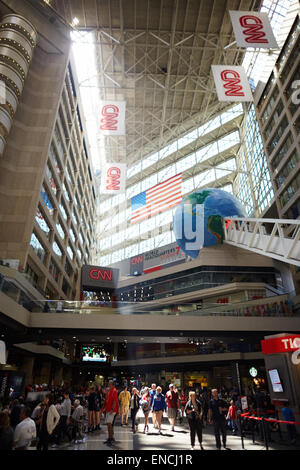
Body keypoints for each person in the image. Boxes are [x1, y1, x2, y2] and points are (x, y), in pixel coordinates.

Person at [104, 380, 119, 446]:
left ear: (112, 385)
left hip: (111, 410)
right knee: (108, 424)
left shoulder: (114, 390)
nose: (108, 385)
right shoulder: (110, 391)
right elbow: (107, 400)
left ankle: (110, 438)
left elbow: (115, 401)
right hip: (108, 409)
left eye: (109, 384)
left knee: (109, 424)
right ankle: (111, 437)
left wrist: (112, 409)